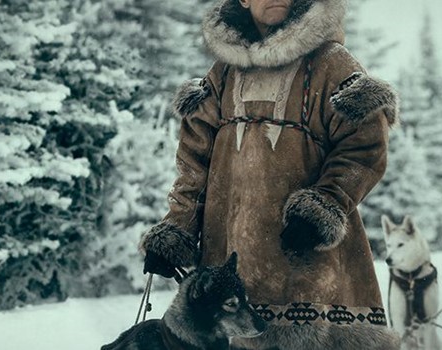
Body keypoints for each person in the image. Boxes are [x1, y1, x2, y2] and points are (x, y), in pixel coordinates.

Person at [140, 0, 400, 348]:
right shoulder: (224, 74)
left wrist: (322, 207)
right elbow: (194, 164)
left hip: (309, 272)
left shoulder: (331, 64)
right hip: (227, 279)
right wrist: (177, 229)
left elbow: (363, 146)